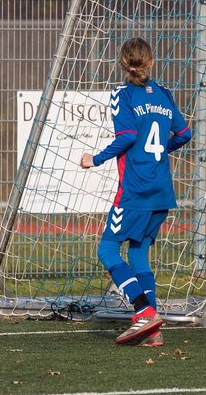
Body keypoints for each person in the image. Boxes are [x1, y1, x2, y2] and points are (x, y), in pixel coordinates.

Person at [79, 37, 191, 347]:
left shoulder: (122, 95)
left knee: (107, 250)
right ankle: (153, 330)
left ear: (122, 64)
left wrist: (95, 159)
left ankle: (143, 311)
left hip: (135, 189)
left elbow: (127, 135)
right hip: (162, 190)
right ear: (151, 63)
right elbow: (185, 133)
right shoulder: (165, 94)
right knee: (138, 253)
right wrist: (162, 151)